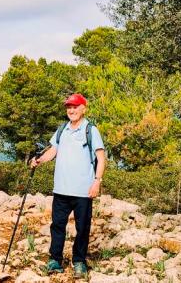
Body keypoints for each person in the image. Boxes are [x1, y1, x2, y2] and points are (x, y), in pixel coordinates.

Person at [29, 93, 107, 279]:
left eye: (75, 107)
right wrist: (39, 160)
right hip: (61, 189)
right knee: (57, 226)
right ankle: (55, 260)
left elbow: (101, 158)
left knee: (83, 228)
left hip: (83, 190)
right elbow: (53, 151)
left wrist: (97, 181)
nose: (71, 110)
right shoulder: (62, 129)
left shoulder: (91, 130)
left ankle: (79, 261)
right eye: (69, 107)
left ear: (83, 109)